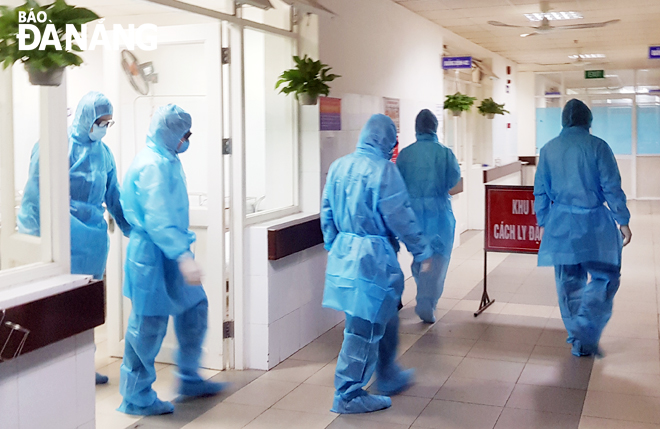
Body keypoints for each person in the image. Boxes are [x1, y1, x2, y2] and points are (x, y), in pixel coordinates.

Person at [321, 114, 433, 414]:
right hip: (371, 259)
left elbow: (327, 212)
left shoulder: (339, 166)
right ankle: (348, 394)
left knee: (385, 317)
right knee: (363, 329)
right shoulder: (384, 171)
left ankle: (387, 372)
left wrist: (335, 245)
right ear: (386, 140)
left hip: (345, 253)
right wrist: (421, 251)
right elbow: (401, 215)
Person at [117, 104, 225, 416]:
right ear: (171, 132)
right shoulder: (152, 164)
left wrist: (181, 253)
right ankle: (136, 397)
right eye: (185, 133)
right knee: (147, 326)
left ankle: (188, 377)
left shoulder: (168, 159)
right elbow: (158, 216)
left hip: (171, 251)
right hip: (152, 256)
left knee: (195, 309)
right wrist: (181, 255)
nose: (187, 139)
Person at [17, 91, 131, 385]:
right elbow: (34, 196)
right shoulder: (55, 144)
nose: (103, 127)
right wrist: (31, 242)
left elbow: (113, 193)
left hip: (92, 243)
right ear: (85, 118)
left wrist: (131, 227)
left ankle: (83, 366)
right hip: (62, 241)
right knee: (57, 309)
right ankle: (55, 371)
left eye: (108, 122)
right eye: (100, 121)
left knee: (85, 308)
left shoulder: (104, 153)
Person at [534, 98, 632, 357]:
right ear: (588, 119)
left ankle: (578, 336)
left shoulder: (548, 149)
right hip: (595, 225)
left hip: (562, 224)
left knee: (568, 282)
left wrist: (543, 221)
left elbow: (541, 191)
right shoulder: (598, 147)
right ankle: (587, 328)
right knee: (604, 276)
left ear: (564, 120)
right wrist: (622, 220)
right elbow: (612, 187)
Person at [396, 109, 461, 323]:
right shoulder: (445, 153)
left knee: (420, 257)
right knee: (438, 259)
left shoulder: (405, 154)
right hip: (439, 214)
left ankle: (424, 293)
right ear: (435, 126)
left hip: (413, 215)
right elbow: (453, 179)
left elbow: (398, 184)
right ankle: (427, 302)